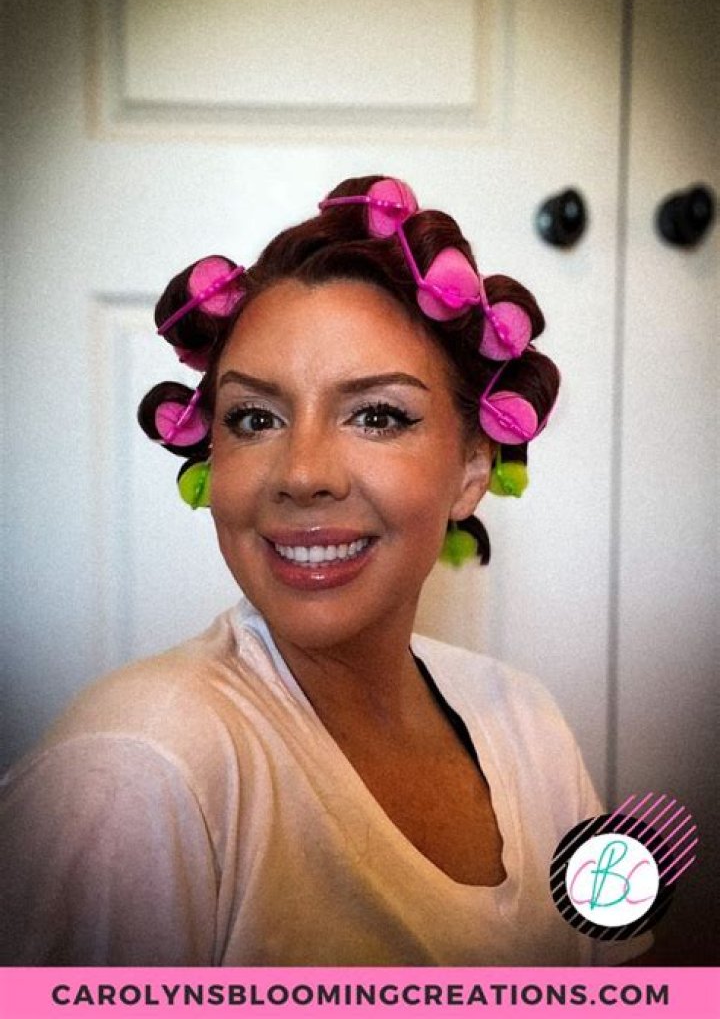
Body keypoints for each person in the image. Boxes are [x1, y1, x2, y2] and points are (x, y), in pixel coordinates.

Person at [0, 176, 643, 966]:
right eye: (255, 418)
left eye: (377, 414)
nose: (303, 473)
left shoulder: (528, 723)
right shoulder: (137, 768)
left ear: (473, 468)